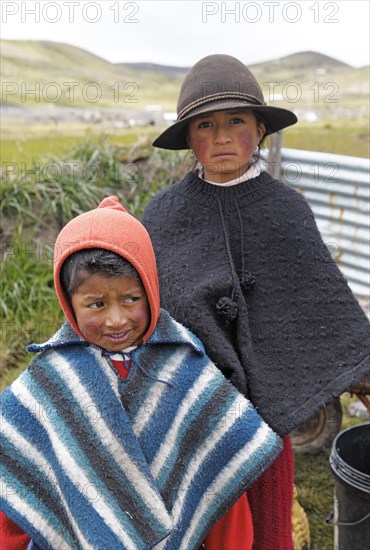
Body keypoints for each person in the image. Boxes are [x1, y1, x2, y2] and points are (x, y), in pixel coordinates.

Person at [141, 54, 370, 549]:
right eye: (206, 124)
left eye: (237, 121)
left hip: (268, 421)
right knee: (195, 527)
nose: (222, 137)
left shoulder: (286, 210)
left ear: (260, 129)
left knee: (267, 529)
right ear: (188, 138)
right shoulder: (162, 216)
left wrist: (360, 374)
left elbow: (321, 305)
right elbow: (144, 308)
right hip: (190, 418)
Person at [0, 196, 283, 550]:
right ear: (68, 302)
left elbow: (219, 481)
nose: (116, 319)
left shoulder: (186, 368)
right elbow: (19, 484)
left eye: (131, 299)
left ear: (150, 288)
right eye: (96, 304)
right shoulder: (52, 382)